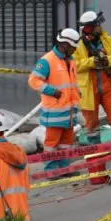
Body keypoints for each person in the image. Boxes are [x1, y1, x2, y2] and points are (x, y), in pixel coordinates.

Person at [27, 29, 81, 171]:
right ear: (65, 45)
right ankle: (51, 170)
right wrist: (51, 91)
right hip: (55, 112)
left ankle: (64, 168)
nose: (75, 50)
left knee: (66, 143)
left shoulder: (71, 60)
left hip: (69, 112)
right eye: (73, 47)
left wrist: (77, 93)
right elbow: (33, 80)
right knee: (52, 144)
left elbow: (70, 83)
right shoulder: (47, 60)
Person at [73, 11, 111, 142]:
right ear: (89, 28)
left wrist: (109, 60)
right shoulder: (78, 45)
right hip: (88, 89)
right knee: (91, 122)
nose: (100, 27)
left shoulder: (107, 40)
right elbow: (73, 65)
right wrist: (91, 62)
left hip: (109, 86)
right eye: (97, 24)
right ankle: (95, 150)